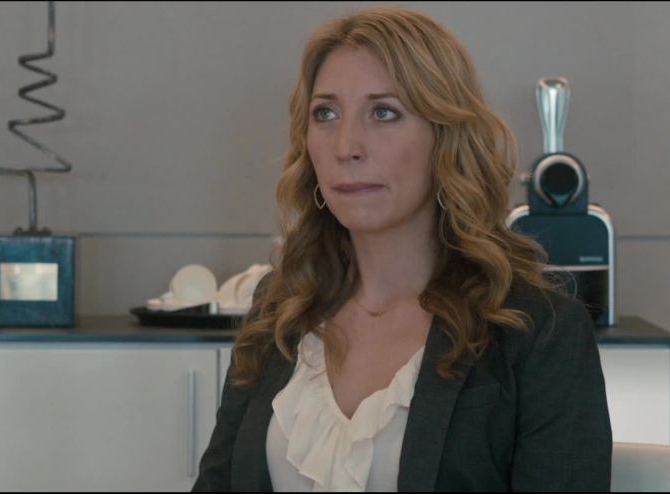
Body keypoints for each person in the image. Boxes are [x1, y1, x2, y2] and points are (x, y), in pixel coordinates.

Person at [193, 5, 611, 492]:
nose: (346, 146)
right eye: (325, 113)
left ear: (445, 137)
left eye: (383, 112)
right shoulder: (279, 308)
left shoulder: (538, 331)